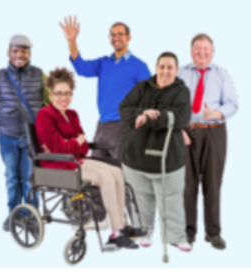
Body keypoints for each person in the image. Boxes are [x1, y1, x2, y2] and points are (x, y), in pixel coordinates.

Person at [35, 68, 147, 249]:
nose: (63, 98)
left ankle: (124, 227)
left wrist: (70, 142)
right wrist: (74, 141)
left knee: (117, 172)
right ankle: (115, 232)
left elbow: (85, 146)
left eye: (67, 93)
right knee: (105, 178)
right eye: (58, 93)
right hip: (58, 165)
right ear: (50, 93)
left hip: (76, 159)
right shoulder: (44, 115)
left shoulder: (72, 115)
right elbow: (58, 149)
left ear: (71, 93)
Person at [59, 16, 151, 225]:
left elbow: (149, 97)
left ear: (128, 38)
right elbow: (81, 67)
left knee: (123, 174)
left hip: (124, 127)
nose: (116, 37)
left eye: (120, 34)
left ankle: (133, 222)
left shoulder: (139, 66)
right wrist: (72, 41)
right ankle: (99, 217)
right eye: (113, 34)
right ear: (110, 39)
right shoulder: (104, 63)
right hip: (102, 126)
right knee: (96, 172)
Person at [119, 52, 192, 251]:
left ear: (176, 71)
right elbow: (124, 108)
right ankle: (144, 231)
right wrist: (141, 113)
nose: (165, 72)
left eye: (169, 67)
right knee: (141, 197)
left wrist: (152, 118)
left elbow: (182, 117)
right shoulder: (142, 87)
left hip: (167, 161)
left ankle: (176, 236)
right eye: (162, 67)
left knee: (172, 200)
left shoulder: (181, 91)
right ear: (156, 68)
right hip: (135, 158)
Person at [0, 35, 50, 232]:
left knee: (29, 178)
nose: (19, 55)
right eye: (15, 51)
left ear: (29, 53)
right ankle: (13, 215)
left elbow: (49, 106)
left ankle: (32, 217)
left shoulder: (40, 75)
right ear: (9, 52)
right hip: (7, 137)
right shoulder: (0, 76)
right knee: (12, 178)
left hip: (31, 138)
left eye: (23, 51)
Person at [178, 34, 238, 249]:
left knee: (213, 184)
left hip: (214, 132)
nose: (201, 53)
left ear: (212, 52)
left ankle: (213, 233)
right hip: (186, 133)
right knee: (187, 184)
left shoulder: (222, 75)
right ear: (191, 51)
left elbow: (232, 103)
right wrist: (178, 129)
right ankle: (188, 232)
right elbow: (171, 103)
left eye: (206, 49)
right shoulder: (181, 73)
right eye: (197, 49)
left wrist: (218, 113)